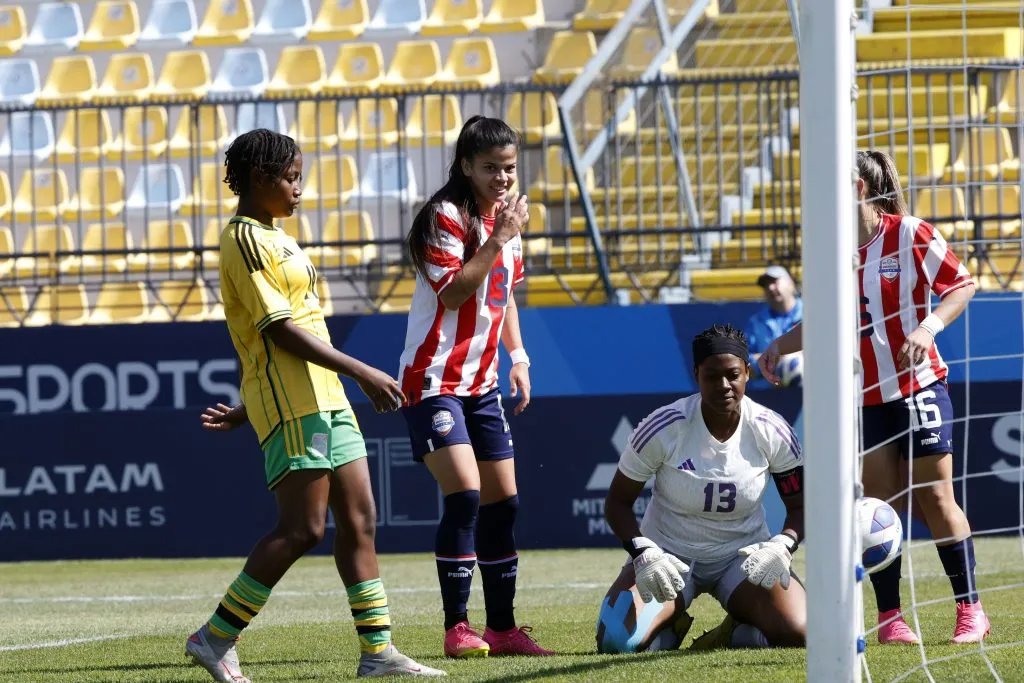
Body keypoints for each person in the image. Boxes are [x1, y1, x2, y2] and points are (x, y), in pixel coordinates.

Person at [185, 129, 445, 681]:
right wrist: (362, 370)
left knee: (360, 519)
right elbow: (277, 331)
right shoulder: (245, 239)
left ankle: (378, 654)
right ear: (260, 180)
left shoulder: (276, 236)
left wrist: (246, 404)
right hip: (295, 404)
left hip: (324, 398)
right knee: (302, 528)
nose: (299, 189)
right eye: (291, 178)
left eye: (300, 176)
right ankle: (214, 637)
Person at [759, 149, 990, 645]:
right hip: (865, 400)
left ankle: (971, 611)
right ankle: (891, 619)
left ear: (858, 189)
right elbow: (821, 316)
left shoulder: (909, 232)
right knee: (877, 508)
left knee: (934, 497)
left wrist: (928, 327)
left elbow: (962, 284)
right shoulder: (831, 250)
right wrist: (779, 344)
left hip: (920, 385)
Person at [398, 115, 554, 659]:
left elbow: (503, 293)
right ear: (465, 166)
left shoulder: (506, 224)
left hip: (481, 385)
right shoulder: (446, 217)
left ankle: (504, 629)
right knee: (464, 495)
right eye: (491, 167)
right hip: (433, 380)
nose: (503, 178)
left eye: (509, 167)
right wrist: (498, 237)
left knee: (503, 504)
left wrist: (520, 357)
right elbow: (454, 295)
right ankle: (456, 627)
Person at [596, 324, 807, 654]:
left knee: (802, 632)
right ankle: (669, 629)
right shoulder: (665, 426)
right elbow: (617, 503)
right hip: (668, 557)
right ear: (696, 375)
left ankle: (738, 631)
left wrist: (782, 545)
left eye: (732, 374)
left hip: (744, 558)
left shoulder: (771, 429)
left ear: (747, 374)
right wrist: (643, 553)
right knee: (616, 641)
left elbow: (801, 506)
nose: (724, 385)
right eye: (712, 376)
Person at [745, 265, 803, 380]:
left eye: (775, 282)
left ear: (790, 283)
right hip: (769, 392)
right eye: (766, 285)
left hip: (810, 388)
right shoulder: (755, 322)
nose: (770, 288)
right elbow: (744, 363)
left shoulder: (813, 314)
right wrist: (772, 360)